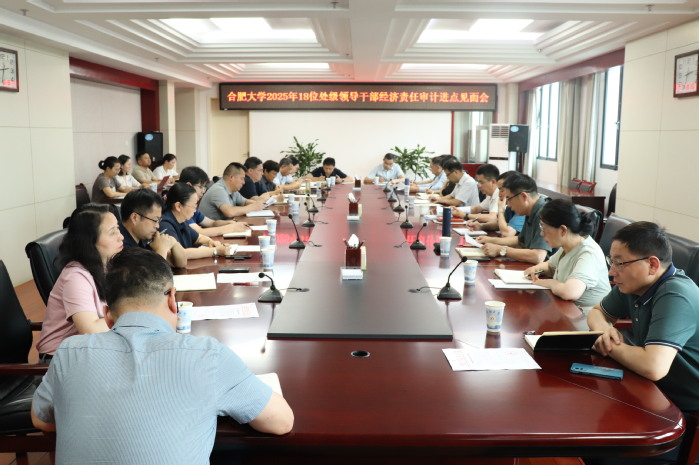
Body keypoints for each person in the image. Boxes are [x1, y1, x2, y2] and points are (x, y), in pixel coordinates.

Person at [31, 247, 294, 463]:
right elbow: (281, 422)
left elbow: (40, 419)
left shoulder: (69, 352)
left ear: (108, 316)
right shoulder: (207, 356)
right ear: (172, 299)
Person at [586, 221, 699, 465]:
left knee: (598, 447)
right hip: (649, 390)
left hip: (683, 408)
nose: (612, 272)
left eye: (620, 263)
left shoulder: (675, 294)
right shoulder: (633, 285)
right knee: (585, 419)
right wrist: (605, 332)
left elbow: (653, 367)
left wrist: (611, 346)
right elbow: (597, 312)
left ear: (652, 264)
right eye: (611, 261)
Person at [35, 204, 124, 358]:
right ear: (89, 241)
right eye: (112, 232)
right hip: (59, 359)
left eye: (118, 229)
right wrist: (130, 312)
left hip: (91, 350)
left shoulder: (107, 264)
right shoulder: (75, 276)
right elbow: (90, 330)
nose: (120, 236)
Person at [522, 199, 610, 308]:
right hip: (567, 309)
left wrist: (550, 283)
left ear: (563, 230)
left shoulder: (588, 253)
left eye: (544, 228)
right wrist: (536, 269)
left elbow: (570, 292)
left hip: (587, 315)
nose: (541, 233)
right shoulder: (568, 245)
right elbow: (550, 266)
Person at [476, 173, 552, 264]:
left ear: (524, 196)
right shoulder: (530, 211)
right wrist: (490, 240)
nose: (508, 204)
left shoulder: (544, 213)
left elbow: (538, 256)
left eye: (509, 199)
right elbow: (520, 240)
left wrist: (501, 250)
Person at [119, 188, 187, 268]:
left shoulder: (142, 238)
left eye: (159, 221)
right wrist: (161, 249)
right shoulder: (120, 245)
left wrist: (173, 242)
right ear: (135, 218)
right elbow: (151, 274)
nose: (157, 226)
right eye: (155, 220)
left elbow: (181, 264)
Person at [159, 183, 229, 259]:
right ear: (178, 206)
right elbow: (179, 254)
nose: (195, 211)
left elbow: (199, 238)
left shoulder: (181, 221)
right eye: (193, 206)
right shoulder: (164, 224)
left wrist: (210, 242)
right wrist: (215, 251)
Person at [179, 165, 250, 237]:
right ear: (189, 185)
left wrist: (230, 223)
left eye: (204, 187)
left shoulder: (191, 206)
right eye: (201, 187)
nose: (203, 191)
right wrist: (231, 228)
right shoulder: (181, 206)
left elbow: (212, 223)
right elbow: (200, 232)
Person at [461, 170, 524, 237]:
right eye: (499, 190)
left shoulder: (522, 208)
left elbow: (507, 234)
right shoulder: (510, 207)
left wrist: (500, 210)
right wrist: (481, 226)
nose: (499, 194)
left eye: (502, 190)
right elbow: (498, 224)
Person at [199, 162, 265, 220]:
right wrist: (252, 207)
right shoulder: (218, 190)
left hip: (224, 225)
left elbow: (244, 202)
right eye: (242, 178)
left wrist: (258, 204)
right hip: (212, 228)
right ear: (231, 177)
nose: (243, 182)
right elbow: (229, 212)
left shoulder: (233, 189)